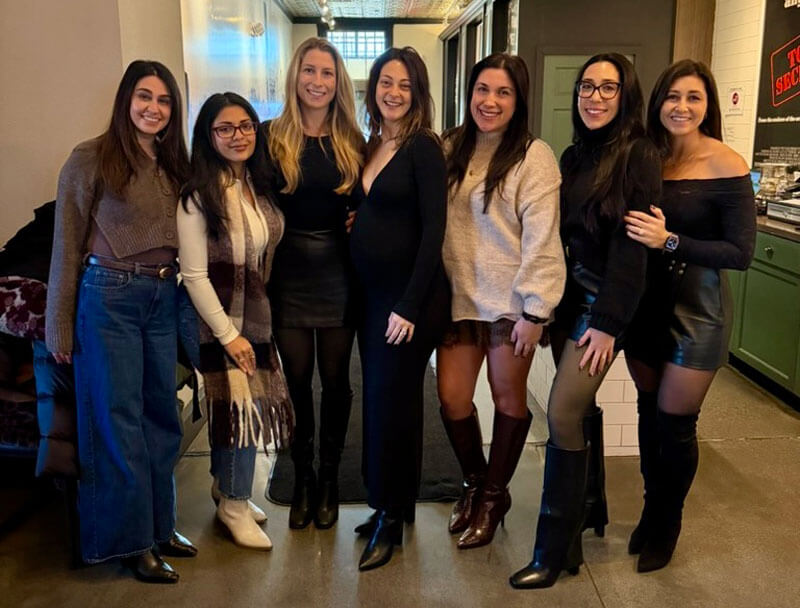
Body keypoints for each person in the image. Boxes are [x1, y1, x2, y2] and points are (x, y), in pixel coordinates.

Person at [510, 53, 662, 589]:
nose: (594, 97)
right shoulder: (573, 156)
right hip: (567, 303)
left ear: (626, 96)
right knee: (579, 410)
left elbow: (631, 249)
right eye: (587, 87)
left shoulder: (638, 154)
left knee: (562, 411)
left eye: (608, 88)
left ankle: (554, 551)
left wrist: (609, 322)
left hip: (603, 309)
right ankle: (588, 510)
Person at [45, 60, 196, 583]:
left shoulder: (176, 164)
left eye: (164, 100)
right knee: (119, 423)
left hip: (162, 294)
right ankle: (131, 543)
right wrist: (58, 326)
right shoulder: (90, 158)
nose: (153, 108)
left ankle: (159, 527)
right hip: (107, 297)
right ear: (125, 100)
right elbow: (65, 246)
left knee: (162, 419)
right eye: (143, 97)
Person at [622, 59, 755, 573]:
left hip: (699, 311)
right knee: (647, 413)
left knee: (676, 423)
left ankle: (666, 522)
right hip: (646, 305)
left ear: (708, 106)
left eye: (693, 98)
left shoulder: (727, 163)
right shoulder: (646, 160)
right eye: (672, 96)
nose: (681, 107)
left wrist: (671, 239)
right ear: (658, 103)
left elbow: (740, 252)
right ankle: (650, 511)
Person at [437, 53, 565, 550]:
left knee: (507, 396)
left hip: (510, 303)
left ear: (519, 100)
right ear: (469, 93)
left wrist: (537, 309)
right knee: (452, 398)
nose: (490, 101)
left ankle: (494, 496)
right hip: (457, 297)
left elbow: (543, 238)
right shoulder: (449, 146)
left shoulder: (534, 156)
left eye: (503, 92)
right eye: (482, 90)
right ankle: (474, 482)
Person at [178, 92, 294, 551]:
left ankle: (227, 489)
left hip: (253, 313)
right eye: (224, 128)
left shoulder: (255, 186)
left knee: (234, 405)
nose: (238, 135)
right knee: (241, 404)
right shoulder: (197, 195)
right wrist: (230, 335)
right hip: (209, 318)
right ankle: (234, 503)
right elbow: (193, 275)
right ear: (208, 137)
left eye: (245, 125)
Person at [348, 46, 450, 571]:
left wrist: (409, 304)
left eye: (405, 85)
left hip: (408, 302)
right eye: (386, 82)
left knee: (393, 404)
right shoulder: (375, 143)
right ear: (374, 89)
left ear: (418, 94)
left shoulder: (423, 147)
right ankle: (394, 504)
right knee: (385, 400)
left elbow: (435, 228)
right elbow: (375, 208)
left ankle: (390, 518)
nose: (393, 92)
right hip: (373, 299)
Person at [263, 37, 364, 530]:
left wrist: (360, 221)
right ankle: (301, 478)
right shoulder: (268, 137)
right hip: (288, 273)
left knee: (338, 382)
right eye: (309, 71)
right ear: (295, 76)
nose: (317, 82)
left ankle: (329, 479)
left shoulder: (355, 141)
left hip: (340, 272)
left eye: (327, 73)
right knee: (297, 384)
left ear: (338, 81)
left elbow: (374, 205)